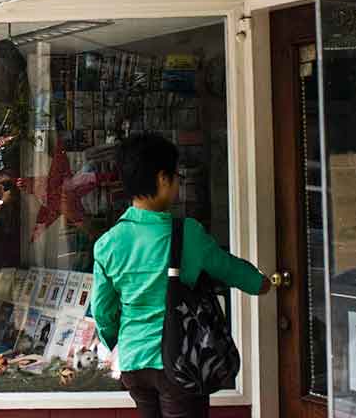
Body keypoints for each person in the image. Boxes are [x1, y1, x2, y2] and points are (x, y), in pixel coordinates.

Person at [91, 133, 271, 418]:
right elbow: (232, 270)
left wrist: (119, 342)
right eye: (176, 176)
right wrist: (263, 283)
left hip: (133, 363)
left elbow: (103, 311)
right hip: (179, 361)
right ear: (163, 179)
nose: (178, 183)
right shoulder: (187, 233)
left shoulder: (108, 243)